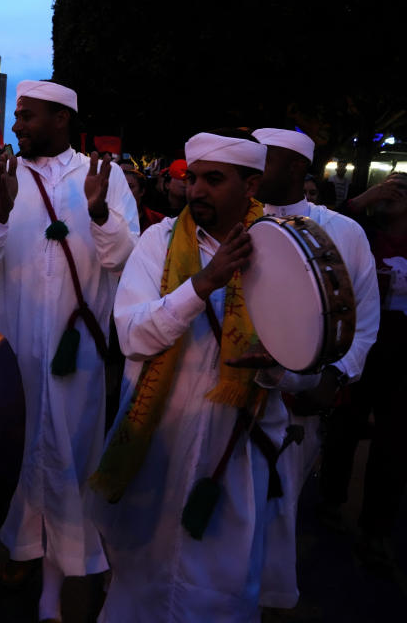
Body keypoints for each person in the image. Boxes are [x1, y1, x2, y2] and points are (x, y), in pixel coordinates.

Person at [91, 131, 314, 620]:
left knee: (222, 585)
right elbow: (132, 334)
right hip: (158, 442)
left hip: (235, 452)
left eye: (214, 180)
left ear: (251, 185)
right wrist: (204, 284)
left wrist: (276, 371)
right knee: (140, 577)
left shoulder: (288, 253)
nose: (195, 191)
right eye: (192, 179)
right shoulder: (158, 242)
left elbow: (306, 368)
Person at [0, 80, 139, 623]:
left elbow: (124, 262)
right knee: (16, 452)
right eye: (17, 115)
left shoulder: (103, 178)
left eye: (28, 116)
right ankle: (23, 550)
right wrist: (0, 214)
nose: (16, 125)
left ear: (61, 119)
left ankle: (57, 583)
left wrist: (101, 212)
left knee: (68, 455)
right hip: (12, 347)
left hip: (74, 354)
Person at [252, 127, 379, 497]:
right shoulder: (233, 224)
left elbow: (365, 318)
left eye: (264, 160)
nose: (252, 168)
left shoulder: (344, 231)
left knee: (280, 510)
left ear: (296, 168)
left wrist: (334, 379)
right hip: (230, 401)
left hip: (301, 403)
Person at [322, 172, 407, 566]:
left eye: (402, 189)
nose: (393, 194)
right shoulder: (358, 234)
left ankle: (376, 528)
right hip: (361, 346)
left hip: (402, 352)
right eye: (388, 186)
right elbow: (323, 227)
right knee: (345, 427)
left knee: (393, 444)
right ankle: (329, 503)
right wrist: (362, 199)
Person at [124, 167, 164, 232]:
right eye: (122, 186)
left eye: (130, 186)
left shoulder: (158, 220)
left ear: (142, 191)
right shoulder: (109, 219)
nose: (125, 190)